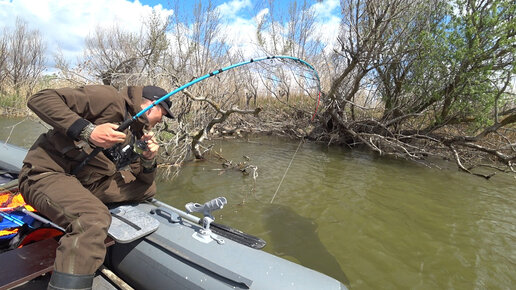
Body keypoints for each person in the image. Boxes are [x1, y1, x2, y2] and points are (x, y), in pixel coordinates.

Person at [18, 85, 174, 290]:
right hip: (46, 173)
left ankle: (82, 205)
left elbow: (144, 183)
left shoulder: (137, 135)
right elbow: (41, 98)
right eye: (163, 114)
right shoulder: (108, 98)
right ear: (153, 105)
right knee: (93, 218)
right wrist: (88, 131)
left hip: (84, 184)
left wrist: (148, 160)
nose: (162, 120)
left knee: (148, 189)